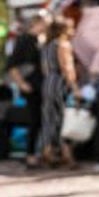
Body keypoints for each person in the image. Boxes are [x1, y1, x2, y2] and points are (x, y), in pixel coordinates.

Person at [39, 17, 83, 168]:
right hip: (61, 84)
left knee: (49, 118)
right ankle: (67, 155)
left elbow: (44, 69)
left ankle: (47, 151)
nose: (72, 31)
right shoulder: (63, 44)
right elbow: (67, 68)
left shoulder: (46, 45)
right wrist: (75, 88)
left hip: (48, 83)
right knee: (65, 118)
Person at [6, 12, 48, 167]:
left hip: (41, 85)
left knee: (42, 119)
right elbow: (11, 65)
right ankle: (30, 153)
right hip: (32, 85)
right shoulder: (24, 40)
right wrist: (21, 83)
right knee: (34, 119)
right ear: (37, 23)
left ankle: (41, 152)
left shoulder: (40, 40)